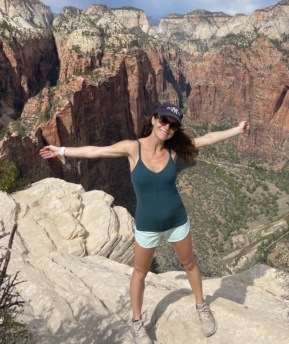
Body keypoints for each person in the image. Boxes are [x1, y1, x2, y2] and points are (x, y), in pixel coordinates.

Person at [39, 102, 249, 344]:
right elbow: (96, 151)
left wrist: (236, 130)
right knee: (140, 273)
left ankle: (201, 307)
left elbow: (208, 138)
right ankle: (138, 324)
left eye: (173, 125)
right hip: (147, 226)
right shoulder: (132, 149)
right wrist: (61, 150)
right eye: (164, 120)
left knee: (189, 264)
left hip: (177, 221)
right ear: (153, 119)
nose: (167, 127)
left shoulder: (174, 151)